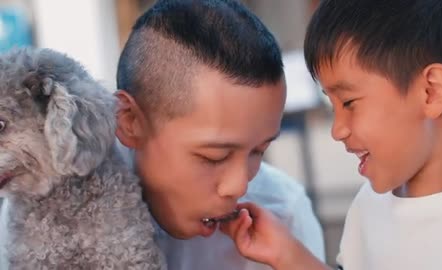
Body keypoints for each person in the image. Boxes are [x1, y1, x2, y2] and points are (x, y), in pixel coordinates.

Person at [221, 0, 442, 269]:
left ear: (432, 91)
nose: (338, 130)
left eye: (348, 102)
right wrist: (289, 256)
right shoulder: (369, 205)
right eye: (332, 107)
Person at [114, 0, 326, 269]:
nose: (239, 186)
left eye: (258, 151)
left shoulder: (283, 214)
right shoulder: (61, 211)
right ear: (129, 121)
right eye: (215, 157)